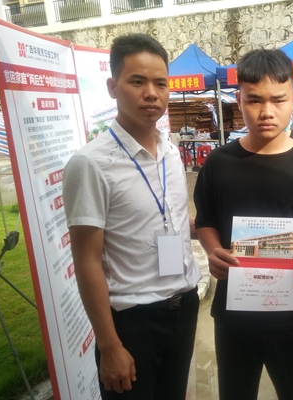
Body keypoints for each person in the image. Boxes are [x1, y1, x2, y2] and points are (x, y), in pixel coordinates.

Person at [62, 33, 201, 399]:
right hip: (134, 322)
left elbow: (173, 222)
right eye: (137, 82)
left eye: (160, 83)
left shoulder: (171, 152)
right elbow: (87, 260)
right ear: (113, 87)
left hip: (184, 307)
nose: (151, 94)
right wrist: (109, 345)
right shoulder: (90, 164)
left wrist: (221, 234)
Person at [194, 49, 293, 400]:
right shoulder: (219, 163)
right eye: (254, 100)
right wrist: (214, 250)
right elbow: (206, 220)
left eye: (278, 99)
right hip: (236, 309)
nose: (267, 111)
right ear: (239, 99)